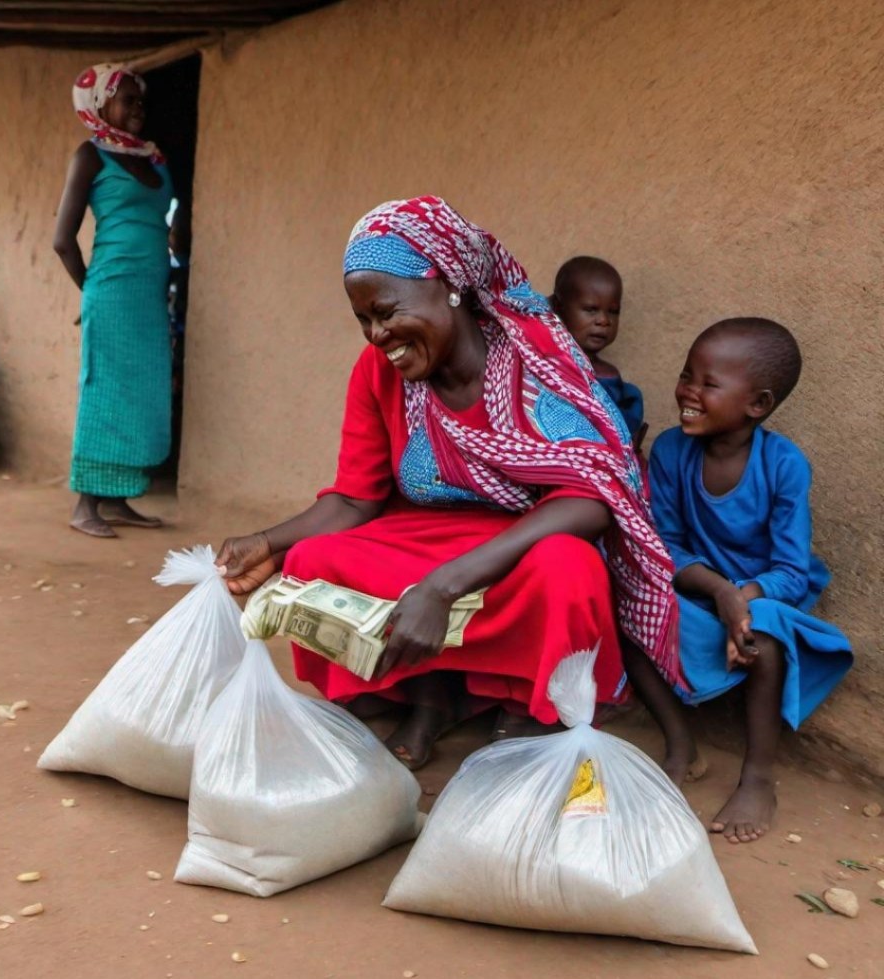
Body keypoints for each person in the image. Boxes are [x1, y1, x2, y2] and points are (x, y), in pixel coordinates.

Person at [216, 197, 681, 770]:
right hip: (420, 538)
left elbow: (592, 495)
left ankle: (527, 707)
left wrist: (443, 587)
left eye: (386, 311)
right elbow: (356, 497)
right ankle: (429, 696)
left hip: (521, 547)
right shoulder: (378, 373)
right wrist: (266, 543)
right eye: (363, 320)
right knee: (311, 561)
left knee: (571, 571)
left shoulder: (532, 358)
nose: (378, 335)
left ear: (449, 286)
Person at [624, 318, 852, 844]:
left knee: (764, 639)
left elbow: (792, 573)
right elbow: (667, 545)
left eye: (709, 383)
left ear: (757, 404)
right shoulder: (673, 452)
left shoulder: (784, 465)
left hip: (768, 596)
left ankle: (758, 778)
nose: (688, 392)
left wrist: (743, 600)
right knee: (632, 610)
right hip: (704, 589)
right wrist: (721, 593)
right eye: (687, 375)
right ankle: (682, 745)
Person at [54, 63, 173, 538]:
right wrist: (94, 294)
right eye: (126, 98)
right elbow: (63, 239)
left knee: (141, 395)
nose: (137, 107)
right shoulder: (90, 156)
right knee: (104, 391)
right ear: (99, 104)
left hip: (148, 296)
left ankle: (118, 498)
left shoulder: (153, 158)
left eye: (140, 99)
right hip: (112, 290)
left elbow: (167, 224)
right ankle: (85, 505)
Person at [550, 256, 647, 449]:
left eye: (613, 311)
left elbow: (621, 435)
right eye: (591, 309)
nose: (604, 320)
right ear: (559, 308)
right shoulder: (544, 364)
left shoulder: (610, 377)